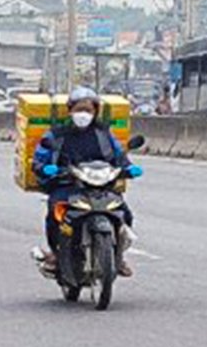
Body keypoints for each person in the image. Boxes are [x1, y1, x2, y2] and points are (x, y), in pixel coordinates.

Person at [31, 86, 140, 277]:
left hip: (101, 185)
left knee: (125, 213)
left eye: (88, 110)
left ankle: (118, 256)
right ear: (70, 110)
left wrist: (128, 167)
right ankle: (56, 255)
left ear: (95, 111)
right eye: (78, 110)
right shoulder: (56, 134)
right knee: (54, 214)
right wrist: (44, 167)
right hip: (67, 185)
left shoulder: (104, 133)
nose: (83, 114)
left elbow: (118, 155)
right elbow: (40, 157)